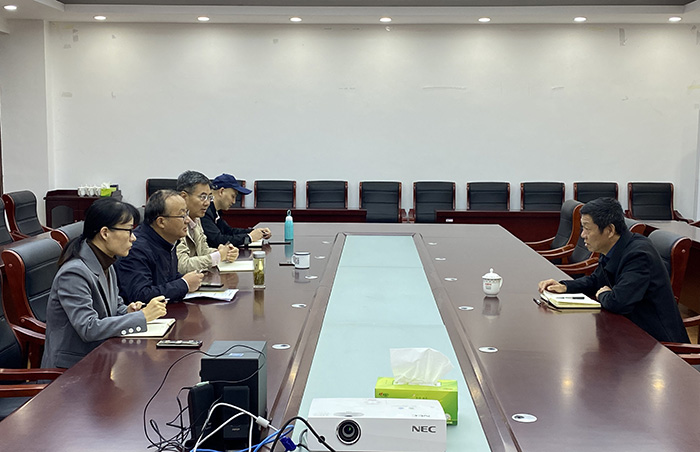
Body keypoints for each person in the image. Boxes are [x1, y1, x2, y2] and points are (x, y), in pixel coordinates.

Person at [538, 197, 689, 343]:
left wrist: (603, 294)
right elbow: (596, 280)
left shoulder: (639, 255)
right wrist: (565, 286)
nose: (582, 235)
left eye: (587, 229)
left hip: (658, 345)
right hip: (630, 335)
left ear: (610, 230)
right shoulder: (614, 247)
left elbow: (619, 302)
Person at [42, 198, 168, 369]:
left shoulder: (106, 263)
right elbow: (88, 328)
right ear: (105, 233)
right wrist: (142, 317)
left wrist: (129, 311)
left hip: (101, 358)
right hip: (71, 369)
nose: (133, 238)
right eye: (129, 231)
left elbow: (114, 308)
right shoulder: (74, 273)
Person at [116, 189, 204, 303]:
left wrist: (190, 280)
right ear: (161, 222)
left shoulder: (168, 240)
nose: (187, 220)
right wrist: (184, 284)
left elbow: (167, 279)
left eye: (187, 213)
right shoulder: (136, 248)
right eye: (182, 215)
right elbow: (140, 295)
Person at [175, 170, 238, 274]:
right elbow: (182, 265)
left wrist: (225, 253)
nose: (207, 203)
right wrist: (218, 256)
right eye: (203, 197)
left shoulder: (196, 218)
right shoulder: (174, 222)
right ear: (183, 197)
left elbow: (203, 250)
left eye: (209, 197)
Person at [201, 173, 272, 248]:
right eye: (233, 196)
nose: (234, 202)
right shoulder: (204, 211)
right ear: (221, 191)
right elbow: (217, 240)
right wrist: (249, 238)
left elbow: (229, 231)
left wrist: (256, 232)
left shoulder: (215, 211)